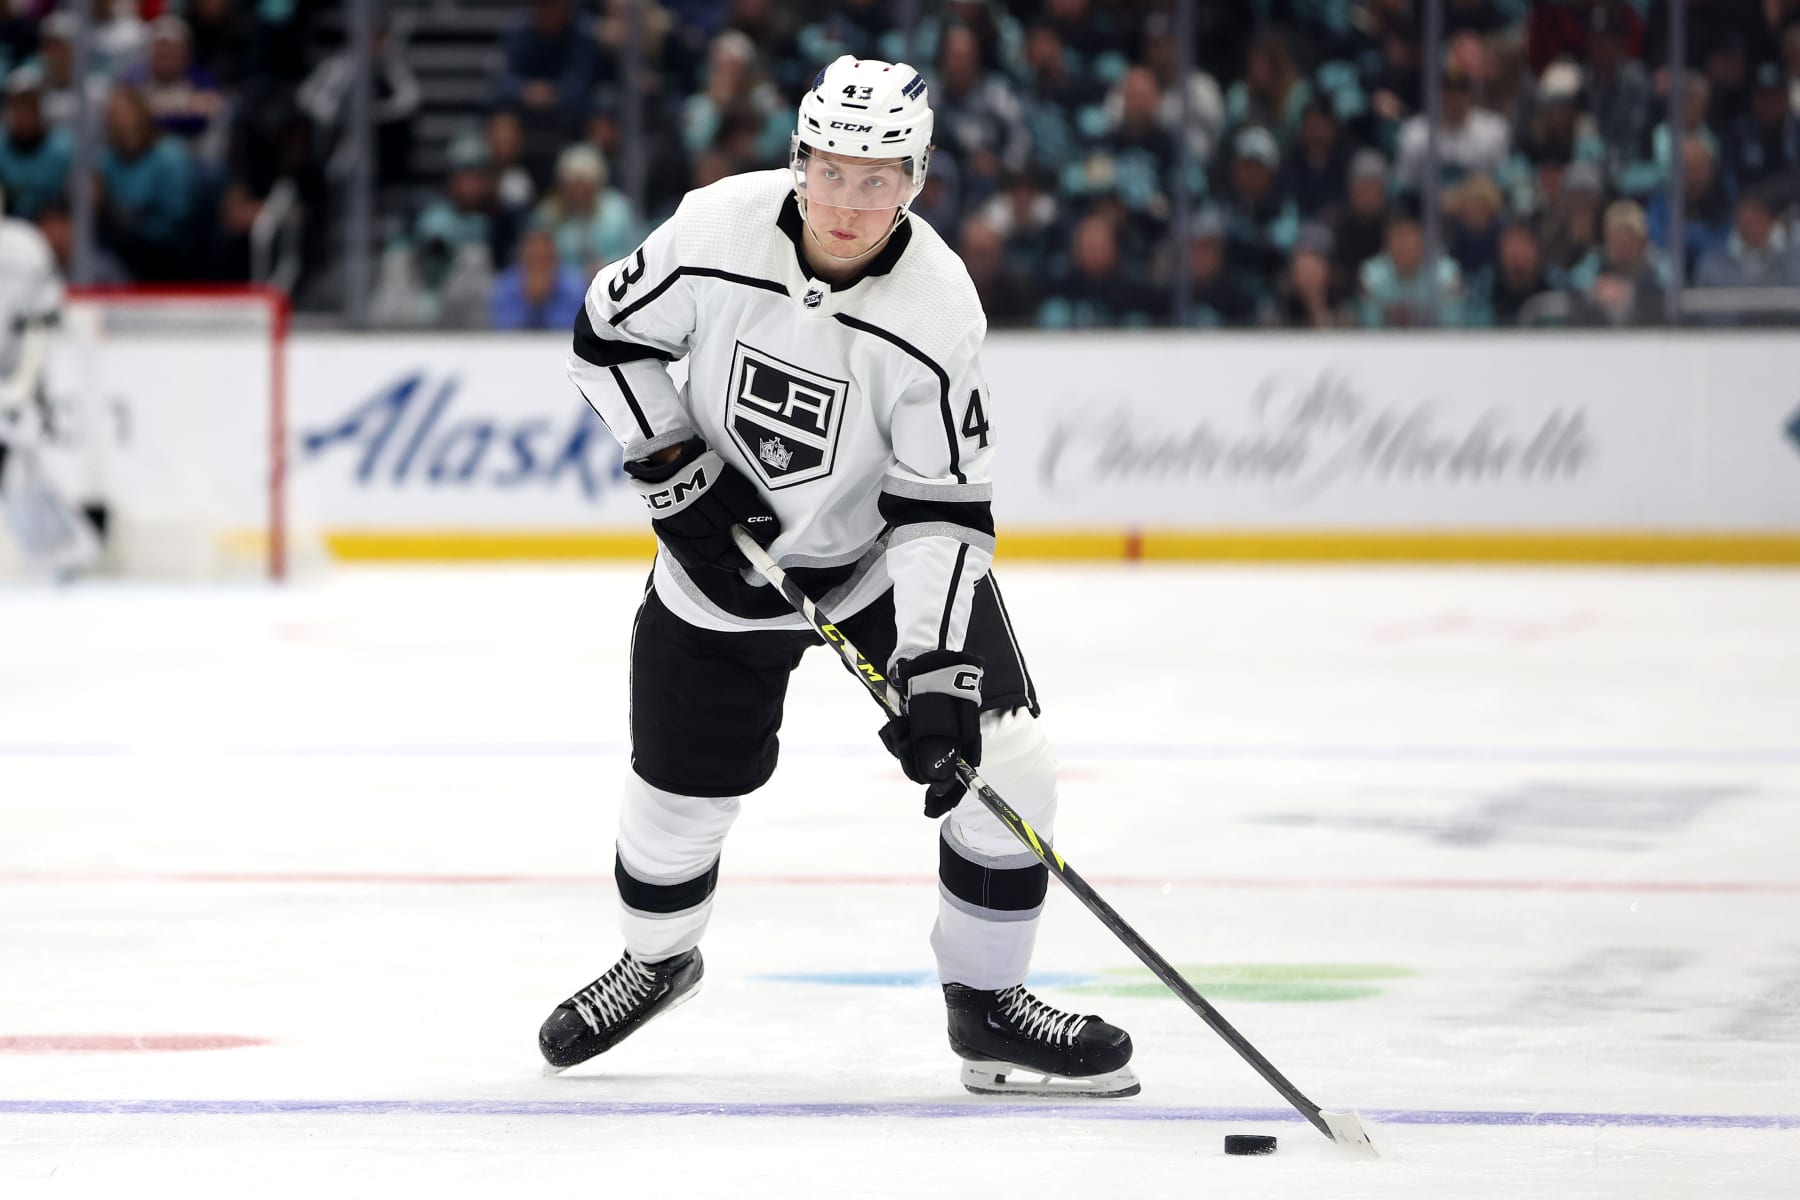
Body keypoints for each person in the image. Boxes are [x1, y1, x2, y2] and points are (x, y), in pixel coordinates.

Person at [541, 55, 1137, 1099]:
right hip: (719, 563)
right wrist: (674, 466)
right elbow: (606, 338)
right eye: (833, 170)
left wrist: (938, 666)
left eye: (880, 177)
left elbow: (943, 505)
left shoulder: (940, 309)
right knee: (676, 802)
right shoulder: (715, 229)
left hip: (868, 568)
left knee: (1011, 761)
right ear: (798, 161)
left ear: (916, 179)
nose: (851, 200)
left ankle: (989, 1010)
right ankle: (657, 958)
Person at [0, 190, 97, 579]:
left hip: (16, 380)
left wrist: (24, 384)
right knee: (20, 470)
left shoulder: (23, 246)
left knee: (21, 467)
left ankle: (69, 549)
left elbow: (41, 321)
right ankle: (69, 548)